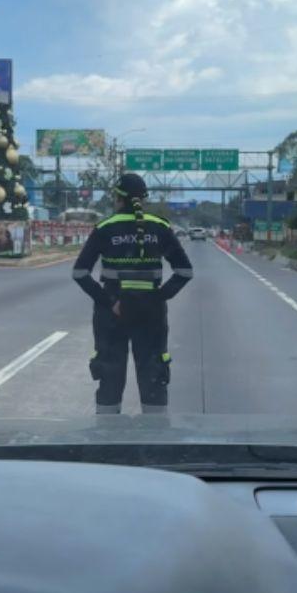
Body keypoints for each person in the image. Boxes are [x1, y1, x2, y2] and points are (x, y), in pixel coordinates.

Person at [72, 173, 193, 415]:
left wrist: (110, 302)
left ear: (118, 198)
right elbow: (184, 271)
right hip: (152, 315)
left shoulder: (105, 228)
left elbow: (80, 273)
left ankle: (106, 440)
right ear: (144, 199)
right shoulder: (160, 227)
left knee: (110, 375)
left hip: (111, 315)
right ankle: (156, 439)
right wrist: (157, 298)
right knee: (153, 375)